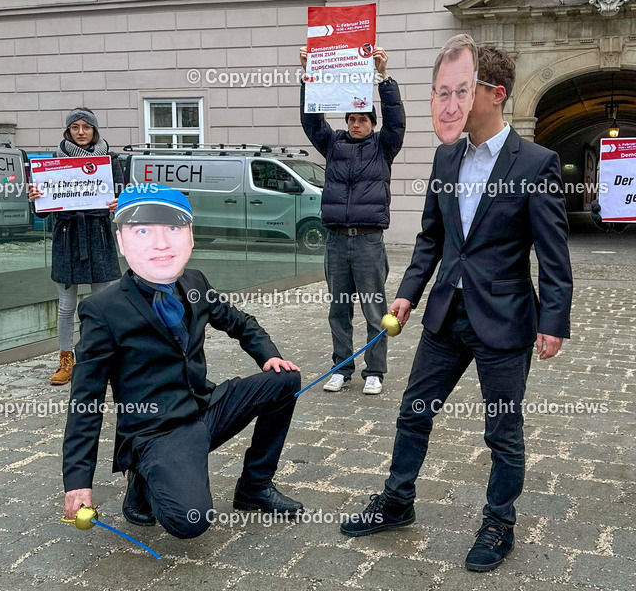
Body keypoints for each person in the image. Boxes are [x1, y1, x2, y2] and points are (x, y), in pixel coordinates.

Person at [340, 38, 574, 573]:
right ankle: (397, 501)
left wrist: (554, 319)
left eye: (459, 91)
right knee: (413, 412)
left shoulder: (537, 163)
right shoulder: (445, 157)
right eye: (442, 92)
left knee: (502, 429)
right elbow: (431, 240)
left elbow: (553, 254)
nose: (448, 103)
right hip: (445, 314)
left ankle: (499, 521)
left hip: (506, 319)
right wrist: (407, 293)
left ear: (495, 93)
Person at [62, 184, 303, 539]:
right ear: (122, 241)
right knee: (190, 521)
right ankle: (142, 481)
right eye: (143, 231)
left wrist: (269, 355)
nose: (161, 243)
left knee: (285, 380)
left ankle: (254, 486)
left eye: (173, 229)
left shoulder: (193, 281)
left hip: (204, 407)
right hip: (156, 430)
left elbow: (238, 321)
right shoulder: (103, 310)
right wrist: (78, 482)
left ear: (189, 237)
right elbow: (86, 400)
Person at [299, 45, 405, 395]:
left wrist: (383, 77)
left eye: (362, 119)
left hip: (368, 241)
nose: (355, 123)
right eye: (351, 119)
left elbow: (396, 118)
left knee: (374, 309)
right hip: (336, 240)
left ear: (372, 125)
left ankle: (374, 370)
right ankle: (342, 367)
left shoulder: (383, 147)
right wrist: (308, 75)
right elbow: (311, 119)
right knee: (338, 309)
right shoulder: (333, 145)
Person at [28, 107, 121, 386]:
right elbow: (43, 213)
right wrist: (35, 198)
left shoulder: (110, 160)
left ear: (95, 130)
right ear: (67, 131)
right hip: (68, 237)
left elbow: (123, 198)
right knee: (67, 305)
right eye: (75, 127)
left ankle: (98, 357)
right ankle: (65, 359)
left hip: (99, 236)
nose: (81, 132)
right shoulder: (52, 164)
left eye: (86, 127)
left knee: (101, 304)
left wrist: (120, 203)